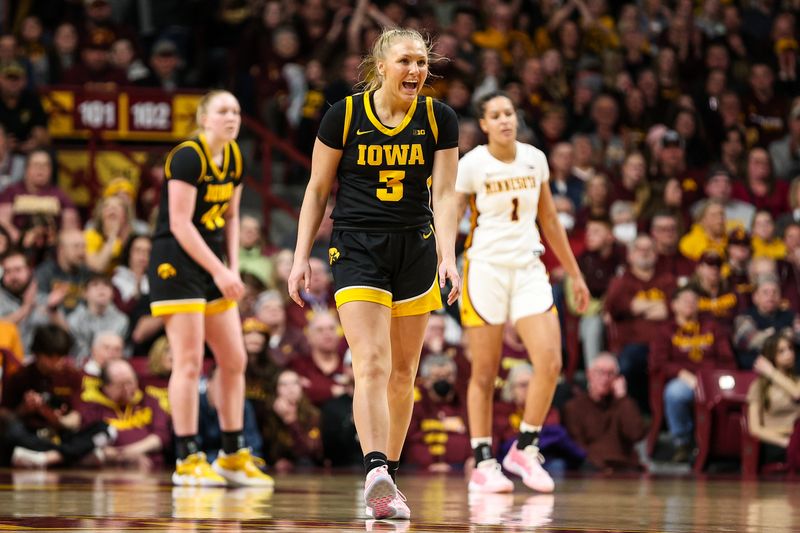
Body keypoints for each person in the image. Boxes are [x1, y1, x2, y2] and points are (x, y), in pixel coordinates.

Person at [288, 28, 461, 520]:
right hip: (357, 245)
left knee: (405, 372)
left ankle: (391, 479)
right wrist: (301, 256)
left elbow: (446, 194)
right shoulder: (343, 115)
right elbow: (317, 190)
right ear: (381, 65)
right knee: (371, 362)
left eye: (423, 62)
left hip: (417, 247)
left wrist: (449, 255)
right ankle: (375, 470)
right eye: (406, 61)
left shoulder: (439, 117)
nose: (416, 71)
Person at [455, 91, 589, 494]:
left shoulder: (535, 158)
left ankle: (525, 449)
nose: (504, 120)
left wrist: (575, 274)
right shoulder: (472, 164)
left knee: (550, 362)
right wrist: (444, 258)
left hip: (529, 268)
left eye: (508, 113)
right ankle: (483, 461)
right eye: (495, 115)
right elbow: (449, 213)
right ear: (483, 124)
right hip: (485, 269)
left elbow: (549, 219)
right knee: (485, 370)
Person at [147, 90, 272, 488]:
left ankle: (233, 456)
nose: (231, 117)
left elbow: (233, 216)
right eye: (223, 111)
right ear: (204, 119)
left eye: (236, 110)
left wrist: (233, 267)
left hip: (214, 261)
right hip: (176, 261)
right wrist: (221, 271)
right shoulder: (187, 156)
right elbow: (181, 224)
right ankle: (187, 457)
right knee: (187, 361)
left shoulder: (235, 155)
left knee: (234, 359)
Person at [747, 332, 800, 465]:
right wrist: (786, 442)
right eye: (781, 351)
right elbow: (755, 428)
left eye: (790, 349)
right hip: (776, 442)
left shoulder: (797, 381)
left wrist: (771, 372)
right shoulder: (759, 386)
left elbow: (797, 393)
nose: (789, 353)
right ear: (771, 356)